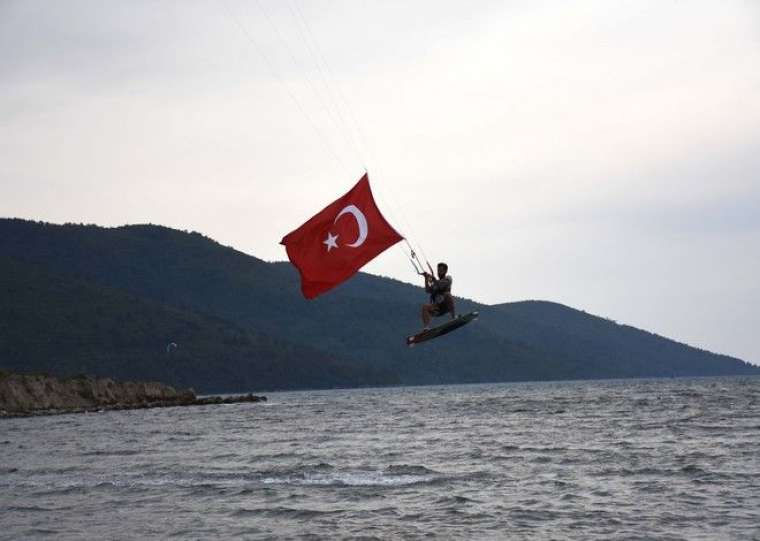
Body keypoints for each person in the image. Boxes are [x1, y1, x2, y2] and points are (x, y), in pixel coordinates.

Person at [421, 262, 456, 330]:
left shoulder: (448, 278)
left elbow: (441, 285)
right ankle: (426, 328)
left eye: (441, 271)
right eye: (438, 270)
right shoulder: (435, 283)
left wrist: (434, 280)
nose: (439, 272)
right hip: (437, 308)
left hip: (446, 306)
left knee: (447, 294)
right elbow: (428, 290)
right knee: (425, 307)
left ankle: (453, 317)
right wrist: (426, 278)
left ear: (445, 271)